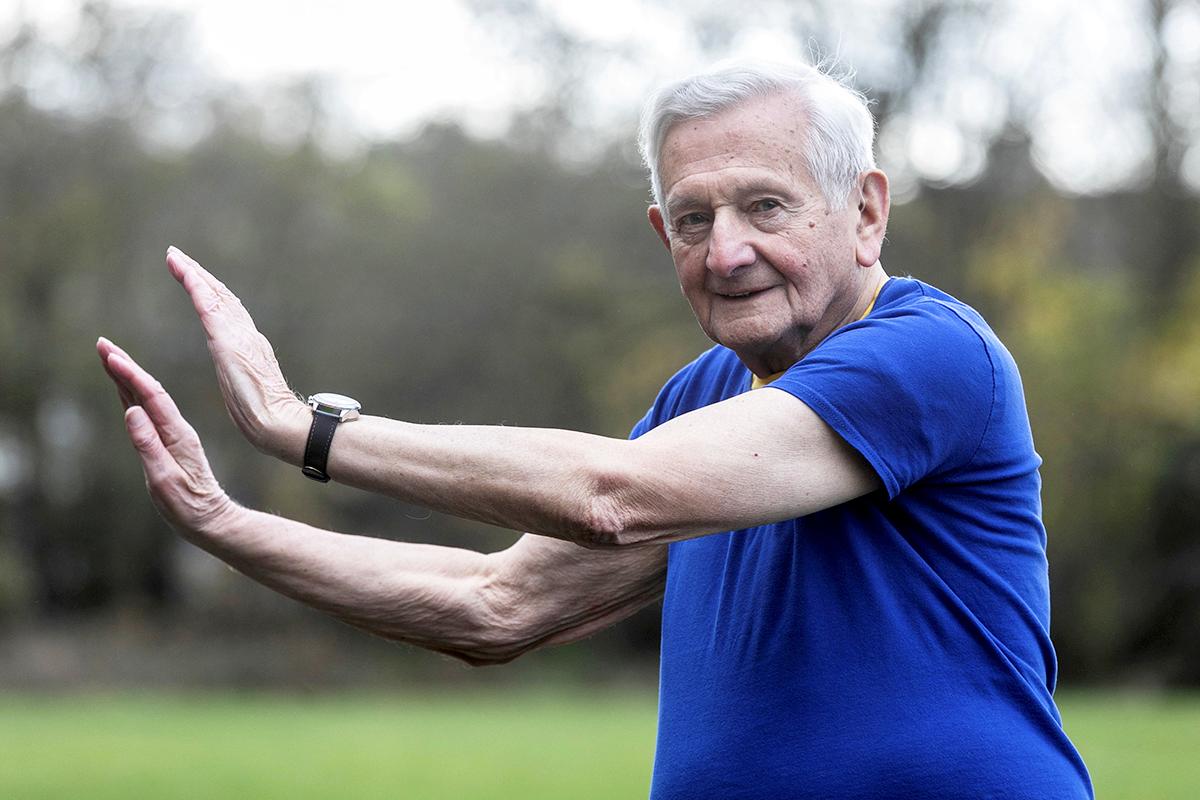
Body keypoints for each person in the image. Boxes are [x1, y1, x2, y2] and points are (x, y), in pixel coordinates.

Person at [97, 59, 1093, 799]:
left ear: (866, 211)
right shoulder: (700, 399)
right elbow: (496, 604)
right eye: (694, 219)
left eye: (766, 206)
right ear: (663, 237)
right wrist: (222, 522)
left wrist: (301, 429)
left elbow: (613, 495)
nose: (729, 250)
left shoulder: (931, 353)